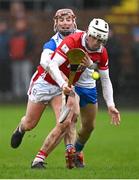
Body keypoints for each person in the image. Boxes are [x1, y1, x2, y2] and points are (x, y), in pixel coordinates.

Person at [39, 18, 120, 168]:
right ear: (89, 33)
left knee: (89, 127)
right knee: (71, 118)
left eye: (101, 40)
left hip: (88, 86)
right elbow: (52, 64)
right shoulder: (72, 41)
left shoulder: (102, 52)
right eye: (95, 38)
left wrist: (110, 105)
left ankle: (76, 152)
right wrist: (63, 84)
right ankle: (41, 158)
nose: (96, 43)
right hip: (72, 84)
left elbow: (105, 79)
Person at [11, 9, 81, 169]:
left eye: (68, 19)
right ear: (56, 23)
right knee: (30, 123)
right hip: (44, 84)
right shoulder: (52, 43)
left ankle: (43, 159)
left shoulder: (80, 37)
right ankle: (21, 128)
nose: (65, 23)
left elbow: (91, 44)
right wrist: (62, 78)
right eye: (61, 20)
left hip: (60, 89)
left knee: (65, 122)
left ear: (73, 21)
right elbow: (45, 62)